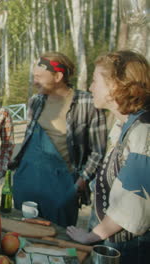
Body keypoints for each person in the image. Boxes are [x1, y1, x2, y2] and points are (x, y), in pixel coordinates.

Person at [67, 50, 150, 263]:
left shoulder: (143, 130)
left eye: (95, 81)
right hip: (115, 238)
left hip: (131, 247)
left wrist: (92, 236)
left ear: (116, 85)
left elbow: (133, 204)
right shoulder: (124, 123)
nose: (90, 87)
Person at [10, 52, 107, 227]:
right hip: (27, 181)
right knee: (23, 234)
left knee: (58, 239)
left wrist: (80, 183)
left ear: (58, 76)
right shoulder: (35, 101)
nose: (34, 82)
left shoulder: (87, 103)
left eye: (39, 77)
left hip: (62, 187)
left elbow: (98, 151)